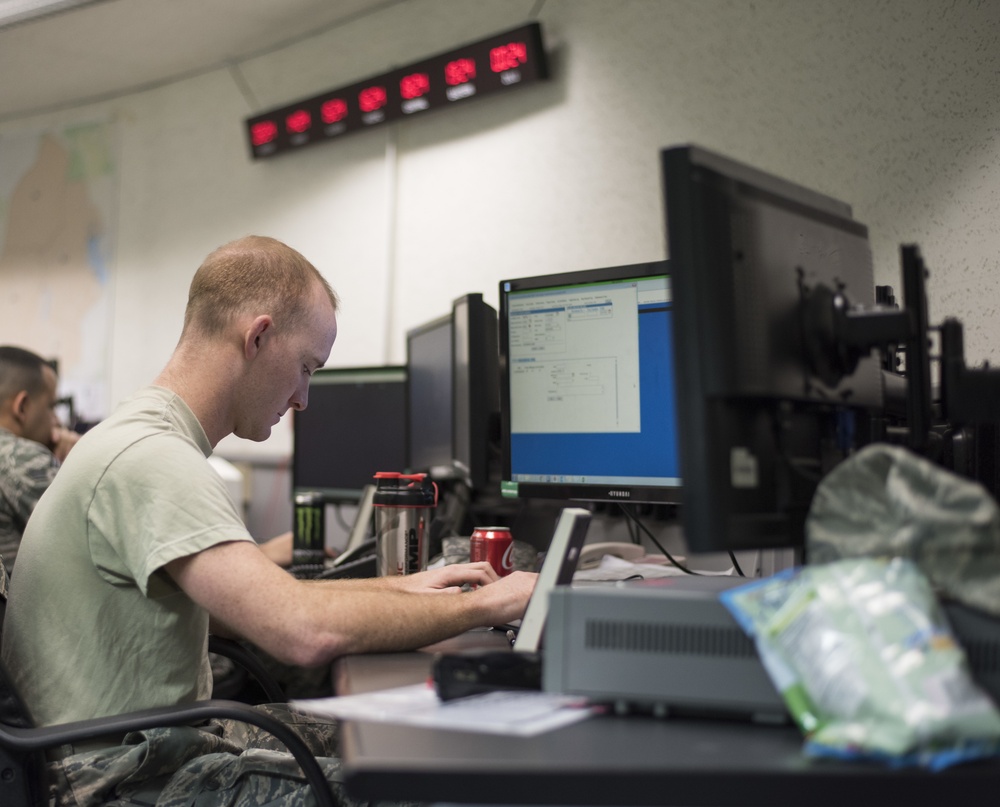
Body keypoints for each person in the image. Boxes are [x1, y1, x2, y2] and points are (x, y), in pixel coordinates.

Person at [2, 235, 536, 806]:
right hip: (127, 779)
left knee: (402, 735)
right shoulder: (152, 458)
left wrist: (405, 587)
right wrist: (485, 605)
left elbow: (241, 614)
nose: (304, 398)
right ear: (257, 337)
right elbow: (300, 631)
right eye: (306, 367)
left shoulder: (139, 436)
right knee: (443, 786)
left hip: (139, 748)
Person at [0, 345, 80, 572]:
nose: (56, 421)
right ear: (22, 406)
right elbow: (94, 543)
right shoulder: (22, 458)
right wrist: (80, 458)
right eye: (51, 406)